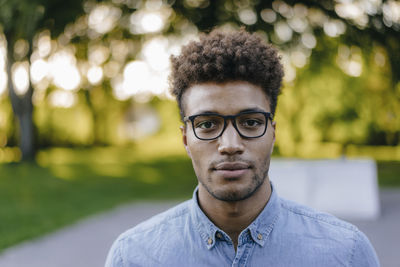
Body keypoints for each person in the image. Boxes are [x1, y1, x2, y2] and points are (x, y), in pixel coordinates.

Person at [105, 29, 379, 266]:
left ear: (273, 132)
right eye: (207, 124)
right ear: (185, 138)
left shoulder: (347, 253)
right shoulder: (133, 257)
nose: (230, 145)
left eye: (249, 122)